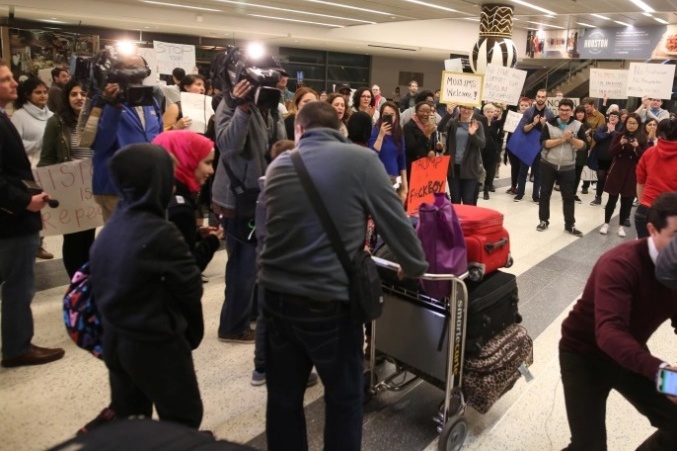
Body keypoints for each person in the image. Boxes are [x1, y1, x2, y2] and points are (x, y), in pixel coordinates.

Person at [259, 100, 428, 451]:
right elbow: (395, 223)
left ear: (299, 131)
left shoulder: (278, 165)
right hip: (330, 303)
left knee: (283, 400)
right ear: (340, 129)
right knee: (343, 397)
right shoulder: (362, 160)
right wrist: (412, 265)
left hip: (275, 301)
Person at [89, 143, 204, 430]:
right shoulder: (159, 232)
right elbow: (190, 288)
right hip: (156, 342)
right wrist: (187, 331)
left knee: (131, 415)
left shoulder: (111, 228)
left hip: (117, 339)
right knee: (182, 417)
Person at [559, 191, 677, 451]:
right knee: (588, 446)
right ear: (651, 230)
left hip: (630, 354)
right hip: (584, 354)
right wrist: (661, 371)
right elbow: (609, 332)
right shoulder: (621, 264)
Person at [213, 62, 287, 343]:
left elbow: (277, 148)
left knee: (257, 263)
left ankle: (252, 314)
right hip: (237, 197)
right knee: (242, 266)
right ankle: (232, 326)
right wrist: (242, 108)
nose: (277, 85)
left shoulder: (272, 108)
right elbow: (228, 147)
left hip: (262, 197)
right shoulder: (230, 104)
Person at [0, 59, 65, 368]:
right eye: (5, 79)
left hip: (15, 210)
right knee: (18, 285)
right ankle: (16, 347)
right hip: (11, 217)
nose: (14, 83)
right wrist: (22, 201)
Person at [90, 54, 163, 222]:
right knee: (123, 244)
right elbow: (100, 144)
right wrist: (112, 107)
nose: (135, 74)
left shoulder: (151, 100)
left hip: (148, 184)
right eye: (130, 68)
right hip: (115, 187)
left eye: (140, 68)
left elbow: (158, 138)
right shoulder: (103, 101)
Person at [38, 79, 96, 278]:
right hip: (68, 188)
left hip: (90, 188)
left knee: (88, 236)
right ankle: (75, 280)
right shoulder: (56, 122)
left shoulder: (95, 120)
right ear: (66, 98)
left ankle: (86, 281)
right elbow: (46, 158)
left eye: (83, 93)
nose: (79, 98)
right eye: (74, 94)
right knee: (72, 238)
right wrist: (46, 186)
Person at [152, 131, 223, 271]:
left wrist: (194, 235)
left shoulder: (154, 195)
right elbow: (187, 270)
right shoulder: (180, 208)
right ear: (187, 159)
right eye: (207, 162)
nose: (211, 170)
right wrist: (211, 242)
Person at [11, 77, 55, 259]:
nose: (43, 95)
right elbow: (14, 144)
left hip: (49, 168)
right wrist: (39, 143)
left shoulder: (52, 115)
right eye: (38, 92)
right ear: (28, 95)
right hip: (29, 169)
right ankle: (35, 245)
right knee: (33, 206)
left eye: (45, 92)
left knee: (46, 207)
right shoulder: (19, 116)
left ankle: (40, 242)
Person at [536, 98, 587, 237]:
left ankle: (569, 225)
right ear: (558, 110)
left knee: (569, 197)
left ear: (572, 111)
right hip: (548, 164)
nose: (564, 112)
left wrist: (571, 139)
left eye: (567, 110)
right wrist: (562, 139)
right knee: (545, 194)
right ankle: (543, 221)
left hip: (568, 166)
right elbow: (544, 144)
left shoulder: (577, 125)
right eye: (562, 110)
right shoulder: (549, 124)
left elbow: (583, 146)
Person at [599, 113, 647, 238]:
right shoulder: (619, 135)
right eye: (629, 123)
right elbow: (611, 152)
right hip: (618, 170)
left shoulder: (642, 138)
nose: (631, 125)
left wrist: (636, 147)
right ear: (626, 123)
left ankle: (621, 226)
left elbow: (644, 158)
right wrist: (621, 143)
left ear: (638, 125)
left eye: (634, 123)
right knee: (611, 199)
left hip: (632, 172)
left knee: (626, 201)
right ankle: (606, 223)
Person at [635, 118, 677, 238]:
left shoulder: (649, 153)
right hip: (670, 214)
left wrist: (643, 202)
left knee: (646, 253)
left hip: (645, 210)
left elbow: (640, 183)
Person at [513, 89, 555, 202]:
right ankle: (520, 193)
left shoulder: (550, 114)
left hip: (540, 146)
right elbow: (523, 128)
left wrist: (544, 125)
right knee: (523, 171)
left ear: (546, 98)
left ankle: (536, 195)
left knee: (538, 173)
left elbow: (553, 133)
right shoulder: (529, 111)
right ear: (536, 97)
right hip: (527, 144)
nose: (540, 99)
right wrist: (534, 123)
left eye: (543, 97)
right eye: (539, 96)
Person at [442, 103, 485, 205]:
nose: (466, 110)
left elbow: (482, 144)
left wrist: (473, 134)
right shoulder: (453, 122)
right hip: (453, 167)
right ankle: (455, 221)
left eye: (470, 108)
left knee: (468, 200)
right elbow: (440, 128)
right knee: (455, 199)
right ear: (460, 108)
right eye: (464, 107)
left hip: (470, 168)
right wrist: (448, 114)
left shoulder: (477, 124)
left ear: (473, 110)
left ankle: (467, 221)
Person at [371, 101, 407, 202]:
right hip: (378, 178)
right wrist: (381, 135)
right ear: (381, 116)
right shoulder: (375, 131)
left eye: (392, 115)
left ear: (396, 116)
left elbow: (402, 160)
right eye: (386, 115)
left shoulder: (399, 134)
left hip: (395, 178)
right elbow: (372, 154)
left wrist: (405, 184)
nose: (389, 118)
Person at [589, 111, 623, 206]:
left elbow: (618, 138)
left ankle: (611, 201)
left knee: (613, 180)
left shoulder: (621, 128)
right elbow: (596, 137)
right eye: (611, 116)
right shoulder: (603, 127)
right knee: (601, 178)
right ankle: (598, 197)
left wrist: (612, 132)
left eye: (615, 117)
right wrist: (607, 133)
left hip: (614, 159)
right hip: (601, 157)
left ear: (618, 119)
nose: (613, 118)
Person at [402, 101, 438, 183]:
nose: (425, 114)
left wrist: (434, 150)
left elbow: (432, 146)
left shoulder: (431, 126)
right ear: (416, 112)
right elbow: (410, 149)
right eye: (422, 111)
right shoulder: (409, 127)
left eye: (428, 111)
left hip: (427, 168)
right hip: (413, 168)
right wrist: (425, 135)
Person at [505, 97, 532, 195]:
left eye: (526, 105)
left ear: (530, 106)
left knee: (522, 168)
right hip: (513, 145)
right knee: (514, 167)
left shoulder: (531, 118)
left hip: (524, 146)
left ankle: (520, 188)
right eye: (522, 105)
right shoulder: (513, 116)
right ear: (519, 106)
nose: (524, 107)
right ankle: (513, 186)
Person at [481, 103, 503, 200]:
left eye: (491, 112)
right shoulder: (479, 123)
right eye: (487, 112)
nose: (489, 114)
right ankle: (476, 186)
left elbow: (504, 120)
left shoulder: (495, 123)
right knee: (479, 171)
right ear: (484, 112)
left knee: (490, 173)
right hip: (481, 151)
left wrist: (505, 109)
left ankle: (486, 189)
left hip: (492, 152)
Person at [572, 105, 591, 203]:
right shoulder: (571, 123)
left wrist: (587, 136)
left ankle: (573, 193)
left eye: (582, 112)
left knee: (578, 173)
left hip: (581, 153)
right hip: (570, 152)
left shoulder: (588, 126)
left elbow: (589, 142)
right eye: (578, 112)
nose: (580, 114)